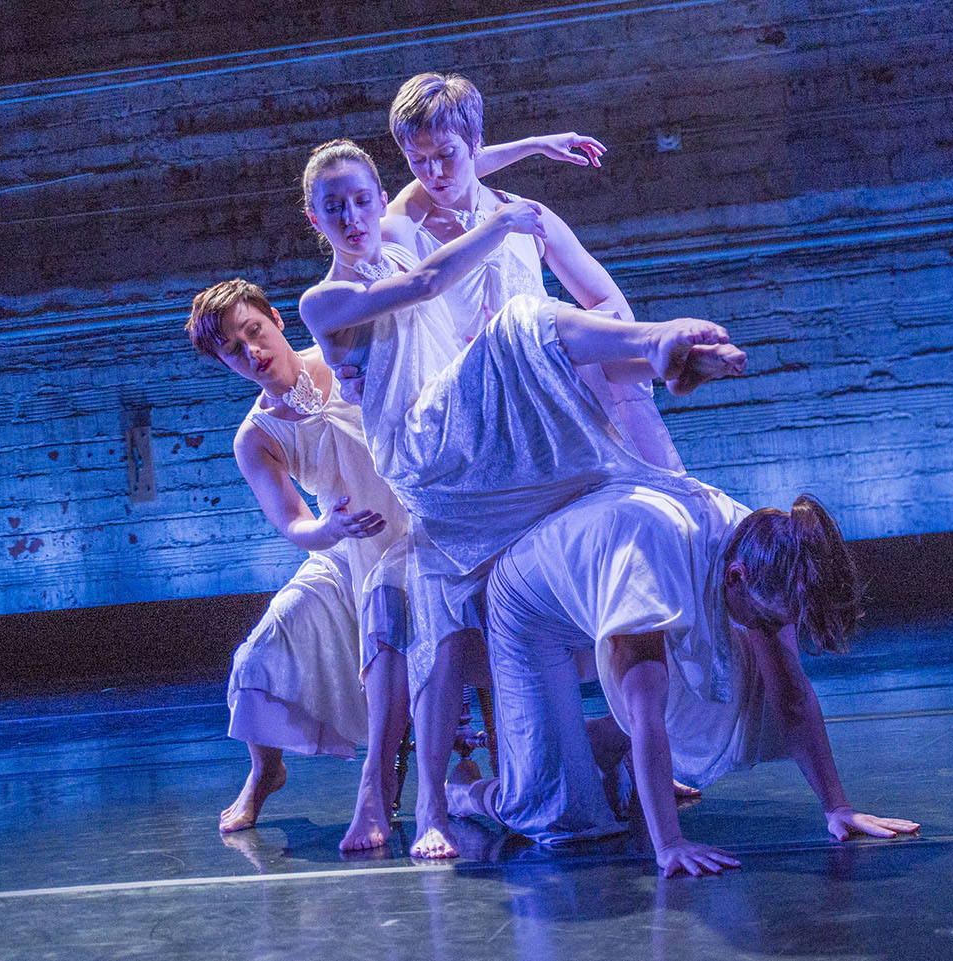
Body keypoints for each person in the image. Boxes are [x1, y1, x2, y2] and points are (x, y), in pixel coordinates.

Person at [297, 138, 746, 858]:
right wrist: (501, 226)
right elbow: (420, 289)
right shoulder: (325, 298)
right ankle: (660, 342)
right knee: (520, 323)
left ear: (379, 201)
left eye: (359, 199)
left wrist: (534, 146)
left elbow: (452, 163)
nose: (350, 214)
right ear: (314, 220)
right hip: (422, 446)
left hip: (466, 443)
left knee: (542, 360)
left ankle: (673, 359)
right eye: (332, 207)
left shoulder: (398, 231)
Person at [447, 483, 920, 877]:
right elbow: (645, 713)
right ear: (735, 578)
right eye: (770, 619)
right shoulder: (651, 561)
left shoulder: (765, 544)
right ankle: (465, 790)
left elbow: (789, 692)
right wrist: (669, 842)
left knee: (735, 680)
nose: (773, 631)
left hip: (596, 586)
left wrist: (837, 807)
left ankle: (608, 747)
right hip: (532, 614)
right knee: (561, 816)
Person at [185, 278, 410, 851]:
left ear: (277, 320)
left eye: (252, 332)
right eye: (232, 350)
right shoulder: (256, 437)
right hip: (345, 550)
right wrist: (327, 529)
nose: (250, 352)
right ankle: (267, 770)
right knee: (259, 654)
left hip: (418, 531)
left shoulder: (345, 355)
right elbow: (291, 523)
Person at [381, 72, 684, 472]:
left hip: (549, 399)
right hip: (470, 419)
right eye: (416, 160)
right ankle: (666, 355)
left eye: (445, 155)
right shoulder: (404, 229)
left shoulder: (528, 214)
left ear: (475, 145)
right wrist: (534, 146)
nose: (432, 174)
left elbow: (609, 301)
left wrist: (584, 365)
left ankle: (670, 356)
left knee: (545, 326)